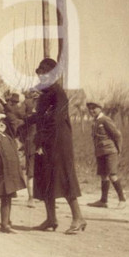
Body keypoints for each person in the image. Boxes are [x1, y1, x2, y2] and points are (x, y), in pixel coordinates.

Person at [27, 58, 85, 234]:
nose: (42, 77)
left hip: (58, 142)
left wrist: (40, 141)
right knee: (45, 177)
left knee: (63, 177)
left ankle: (78, 218)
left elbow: (55, 120)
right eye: (40, 74)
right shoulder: (44, 94)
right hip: (46, 141)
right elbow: (40, 117)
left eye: (45, 74)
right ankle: (51, 219)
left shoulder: (58, 93)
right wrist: (20, 122)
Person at [0, 113, 26, 233]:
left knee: (8, 198)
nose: (2, 124)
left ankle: (5, 224)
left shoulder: (8, 138)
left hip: (11, 174)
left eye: (4, 122)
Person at [85, 101, 127, 209]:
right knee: (103, 175)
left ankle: (122, 200)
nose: (91, 110)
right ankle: (103, 201)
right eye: (89, 108)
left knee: (112, 175)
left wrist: (118, 150)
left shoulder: (105, 120)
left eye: (94, 108)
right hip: (100, 152)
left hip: (110, 152)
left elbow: (117, 135)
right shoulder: (95, 121)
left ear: (100, 108)